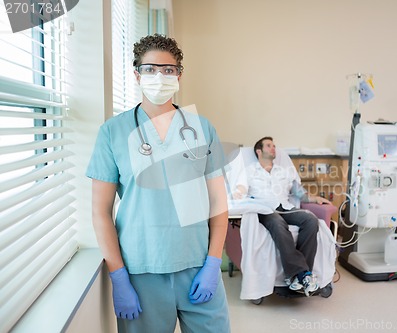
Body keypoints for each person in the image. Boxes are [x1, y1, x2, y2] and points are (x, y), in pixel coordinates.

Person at [86, 34, 230, 332]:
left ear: (179, 75)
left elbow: (218, 204)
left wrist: (214, 263)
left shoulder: (202, 128)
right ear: (136, 74)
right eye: (150, 69)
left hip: (198, 264)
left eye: (168, 69)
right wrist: (119, 277)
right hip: (141, 270)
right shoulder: (113, 132)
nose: (159, 77)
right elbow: (100, 212)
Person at [235, 136, 332, 296]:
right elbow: (241, 189)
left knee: (311, 220)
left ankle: (299, 279)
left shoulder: (284, 171)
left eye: (274, 145)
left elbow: (299, 192)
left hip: (286, 207)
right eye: (269, 145)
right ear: (259, 151)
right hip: (265, 210)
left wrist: (316, 199)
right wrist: (236, 196)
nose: (274, 148)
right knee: (279, 224)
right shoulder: (249, 171)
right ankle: (301, 274)